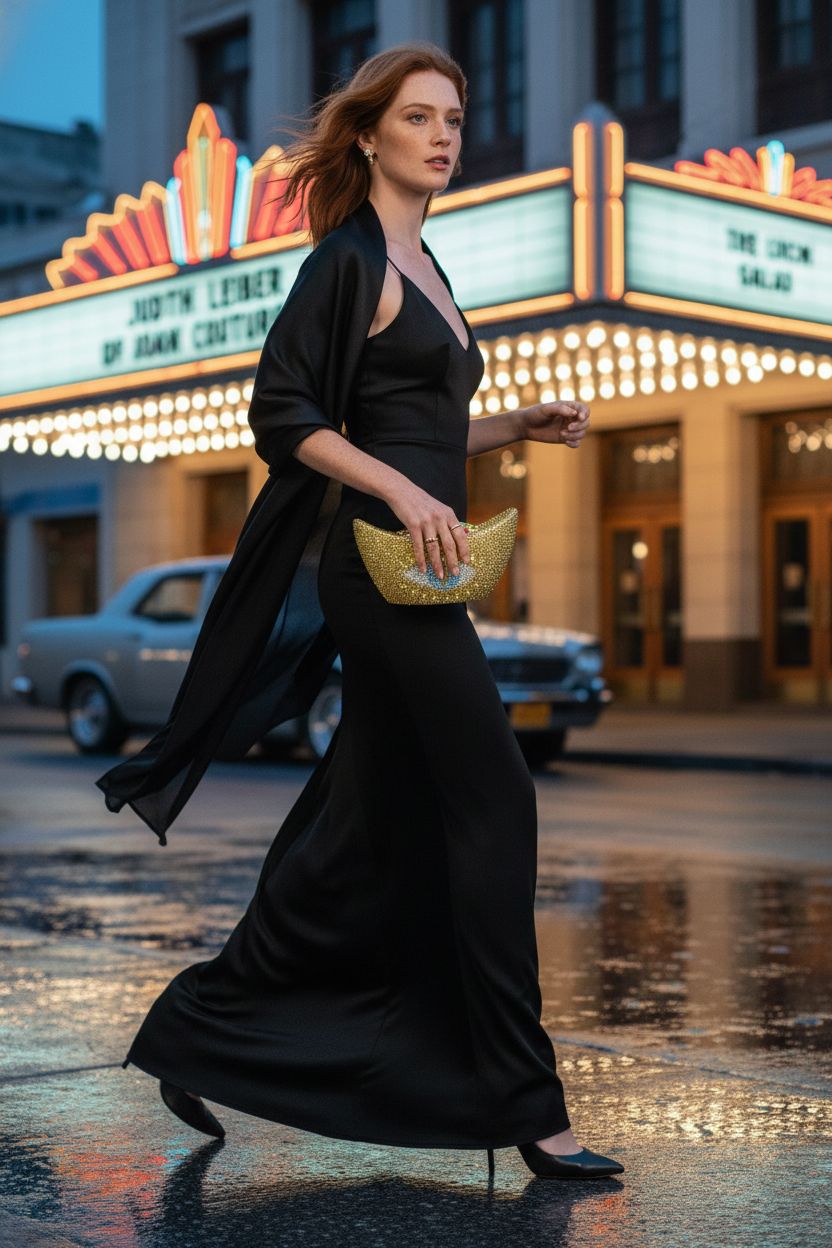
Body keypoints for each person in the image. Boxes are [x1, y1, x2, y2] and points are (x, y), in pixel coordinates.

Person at [96, 42, 623, 1182]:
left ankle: (202, 1029)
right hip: (374, 573)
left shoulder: (424, 261)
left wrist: (512, 426)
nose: (444, 135)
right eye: (420, 117)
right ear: (370, 135)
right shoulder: (345, 261)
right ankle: (530, 1102)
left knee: (360, 827)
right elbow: (285, 416)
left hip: (415, 569)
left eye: (456, 116)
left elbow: (413, 429)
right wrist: (395, 485)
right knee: (494, 803)